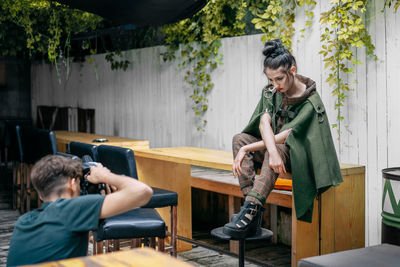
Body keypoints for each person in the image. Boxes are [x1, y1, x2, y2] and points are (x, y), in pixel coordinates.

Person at [223, 39, 343, 238]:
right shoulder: (271, 91)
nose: (275, 85)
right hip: (274, 152)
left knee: (276, 149)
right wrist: (246, 148)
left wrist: (265, 151)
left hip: (297, 156)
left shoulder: (310, 101)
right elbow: (263, 122)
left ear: (292, 70)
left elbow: (285, 137)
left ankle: (249, 211)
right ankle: (252, 210)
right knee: (239, 139)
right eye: (270, 79)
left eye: (279, 79)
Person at [7, 155, 153, 266]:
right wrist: (104, 175)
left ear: (40, 194)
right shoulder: (72, 209)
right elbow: (142, 191)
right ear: (72, 184)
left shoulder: (23, 221)